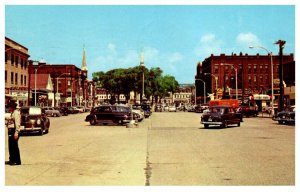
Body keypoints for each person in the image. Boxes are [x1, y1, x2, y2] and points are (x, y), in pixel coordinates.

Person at [5, 100, 22, 166]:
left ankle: (17, 161)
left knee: (14, 146)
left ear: (12, 107)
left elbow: (17, 123)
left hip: (14, 131)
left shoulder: (16, 113)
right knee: (11, 146)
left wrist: (16, 132)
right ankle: (12, 159)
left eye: (9, 107)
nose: (9, 108)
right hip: (11, 131)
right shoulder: (12, 113)